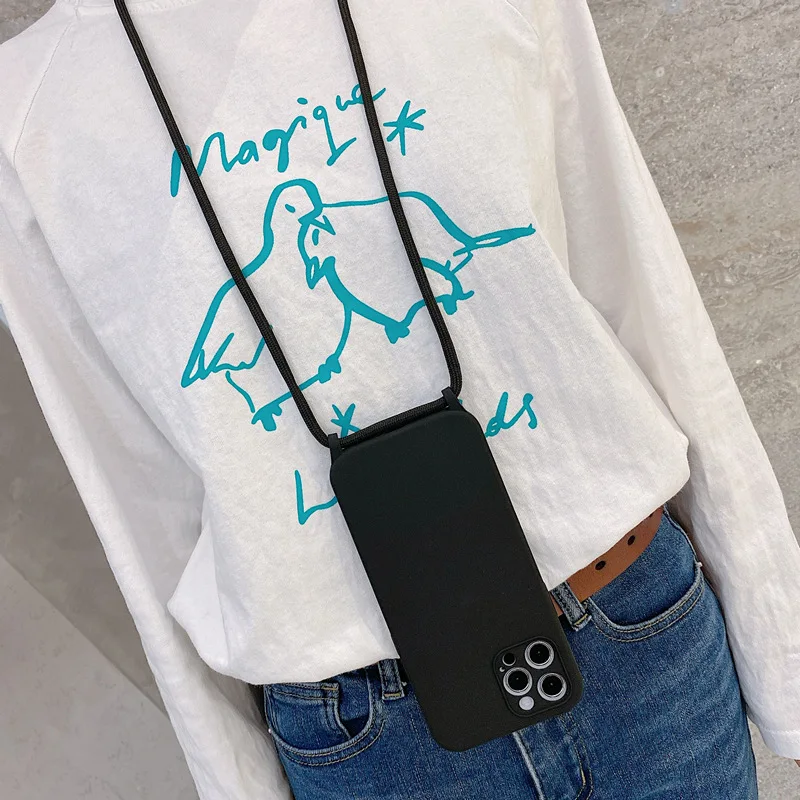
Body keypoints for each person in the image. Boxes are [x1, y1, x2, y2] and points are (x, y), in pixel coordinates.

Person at [0, 0, 797, 797]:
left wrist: (786, 663)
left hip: (644, 655)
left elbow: (647, 300)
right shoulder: (28, 121)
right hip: (371, 744)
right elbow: (144, 517)